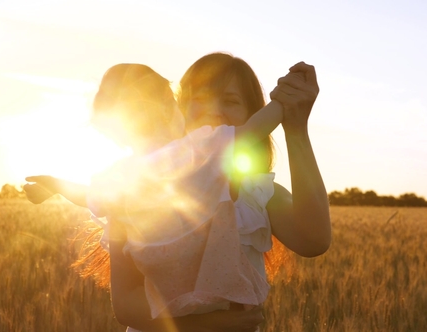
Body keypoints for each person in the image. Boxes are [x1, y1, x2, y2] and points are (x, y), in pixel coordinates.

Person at [25, 62, 287, 329]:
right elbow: (254, 129)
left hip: (163, 279)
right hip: (205, 275)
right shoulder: (200, 149)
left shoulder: (121, 174)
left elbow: (89, 195)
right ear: (169, 107)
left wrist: (56, 185)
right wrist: (284, 101)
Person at [106, 53, 331, 332]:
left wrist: (295, 128)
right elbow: (126, 305)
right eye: (197, 99)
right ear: (177, 113)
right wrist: (210, 324)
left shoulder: (257, 192)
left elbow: (314, 240)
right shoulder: (139, 187)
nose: (213, 110)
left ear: (253, 117)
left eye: (230, 101)